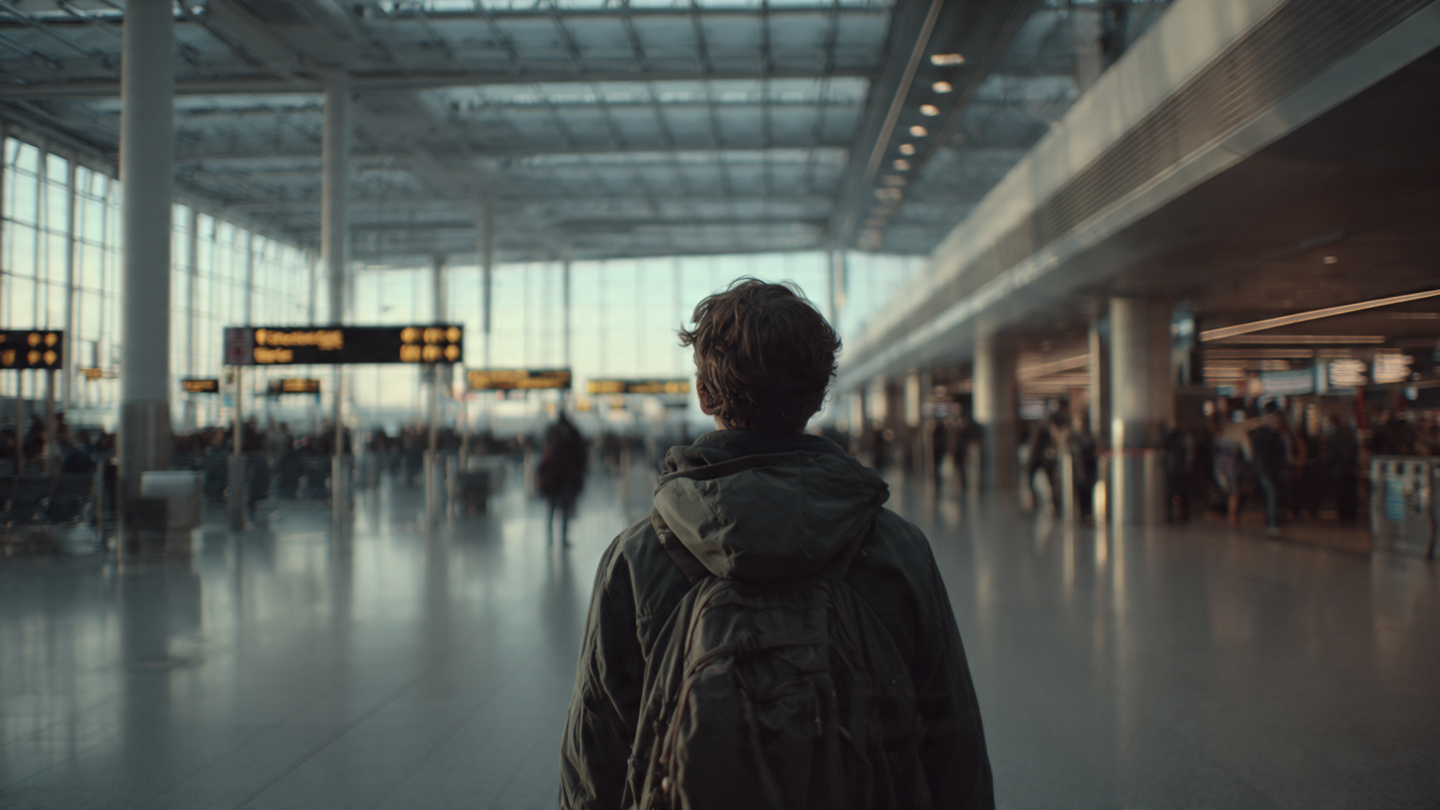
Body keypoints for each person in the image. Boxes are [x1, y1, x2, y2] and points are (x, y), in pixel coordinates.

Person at [560, 279, 993, 810]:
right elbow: (952, 736)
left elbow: (599, 743)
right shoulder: (897, 546)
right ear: (817, 395)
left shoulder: (638, 555)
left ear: (703, 393)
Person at [538, 412, 587, 547]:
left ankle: (550, 537)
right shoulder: (571, 436)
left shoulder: (552, 436)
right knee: (563, 509)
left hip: (554, 479)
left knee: (552, 508)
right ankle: (563, 537)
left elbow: (544, 461)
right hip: (565, 479)